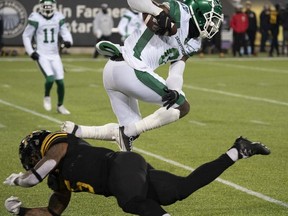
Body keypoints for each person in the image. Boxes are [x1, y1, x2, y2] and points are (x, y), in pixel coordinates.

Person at [62, 0, 224, 152]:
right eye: (212, 19)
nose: (213, 25)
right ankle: (126, 133)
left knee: (131, 128)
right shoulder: (179, 11)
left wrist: (175, 89)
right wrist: (157, 12)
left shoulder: (194, 42)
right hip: (131, 67)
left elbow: (177, 68)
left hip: (115, 70)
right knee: (182, 107)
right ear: (198, 12)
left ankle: (75, 130)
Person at [3, 130, 271, 216]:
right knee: (179, 190)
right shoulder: (57, 180)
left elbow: (38, 172)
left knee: (130, 202)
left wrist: (19, 180)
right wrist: (23, 212)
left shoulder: (60, 145)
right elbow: (52, 214)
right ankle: (238, 150)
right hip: (129, 172)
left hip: (120, 166)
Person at [22, 0, 73, 115]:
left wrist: (69, 40)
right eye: (45, 6)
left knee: (60, 82)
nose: (48, 9)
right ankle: (47, 96)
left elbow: (65, 31)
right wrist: (30, 52)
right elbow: (26, 36)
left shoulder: (58, 17)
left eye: (50, 6)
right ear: (41, 7)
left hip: (55, 55)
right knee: (50, 79)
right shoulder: (35, 17)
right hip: (42, 54)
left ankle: (60, 106)